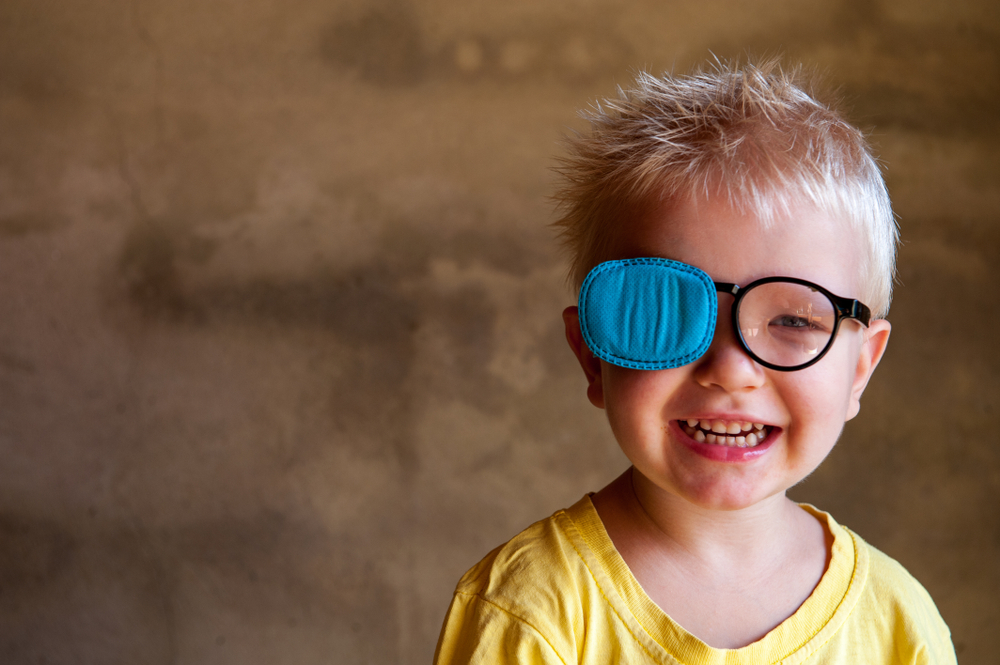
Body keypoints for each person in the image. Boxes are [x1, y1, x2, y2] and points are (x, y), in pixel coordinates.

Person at [432, 60, 957, 664]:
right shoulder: (533, 612)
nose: (730, 369)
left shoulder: (898, 625)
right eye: (665, 311)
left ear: (860, 369)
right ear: (591, 356)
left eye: (793, 321)